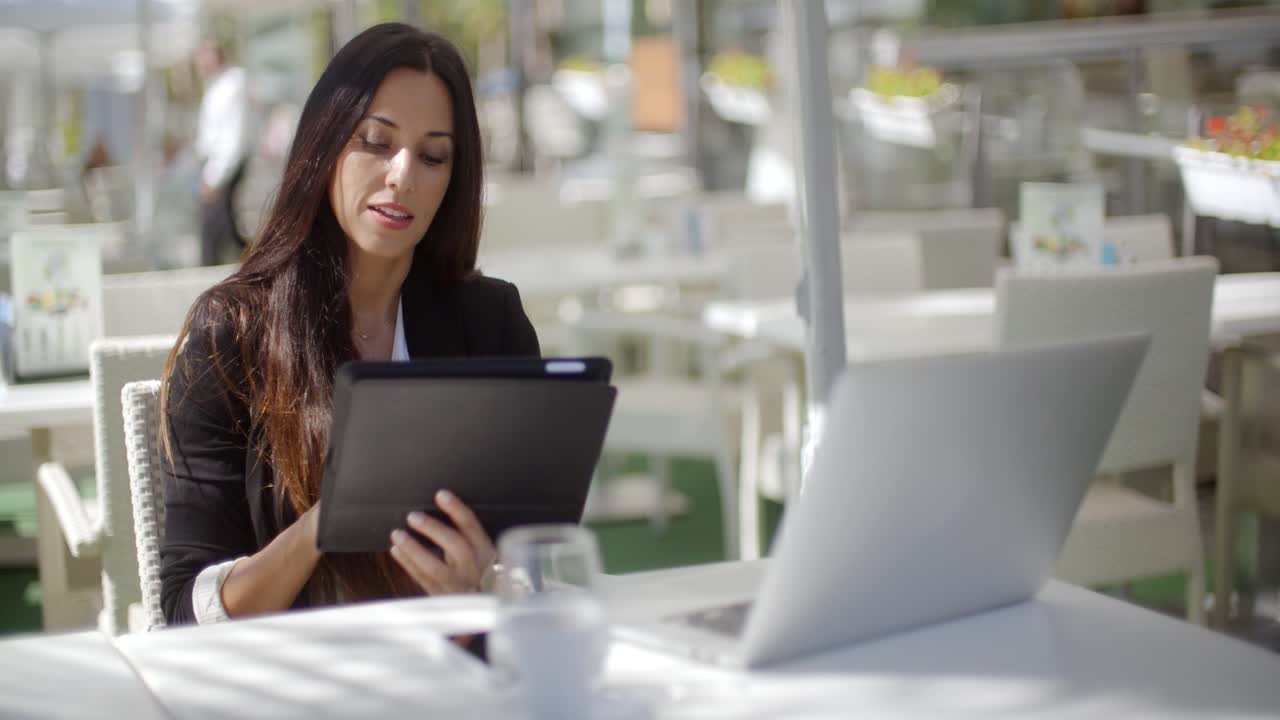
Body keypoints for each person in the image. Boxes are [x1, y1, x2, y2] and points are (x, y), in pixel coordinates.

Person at [160, 23, 540, 626]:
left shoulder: (490, 323)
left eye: (434, 154)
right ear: (325, 143)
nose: (403, 174)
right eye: (376, 141)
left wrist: (487, 582)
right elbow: (186, 610)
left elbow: (539, 556)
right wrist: (326, 522)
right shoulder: (230, 333)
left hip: (453, 673)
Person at [194, 38, 250, 265]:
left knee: (216, 228)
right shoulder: (218, 85)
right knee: (224, 228)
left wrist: (214, 176)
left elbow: (231, 137)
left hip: (225, 165)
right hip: (218, 165)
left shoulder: (231, 85)